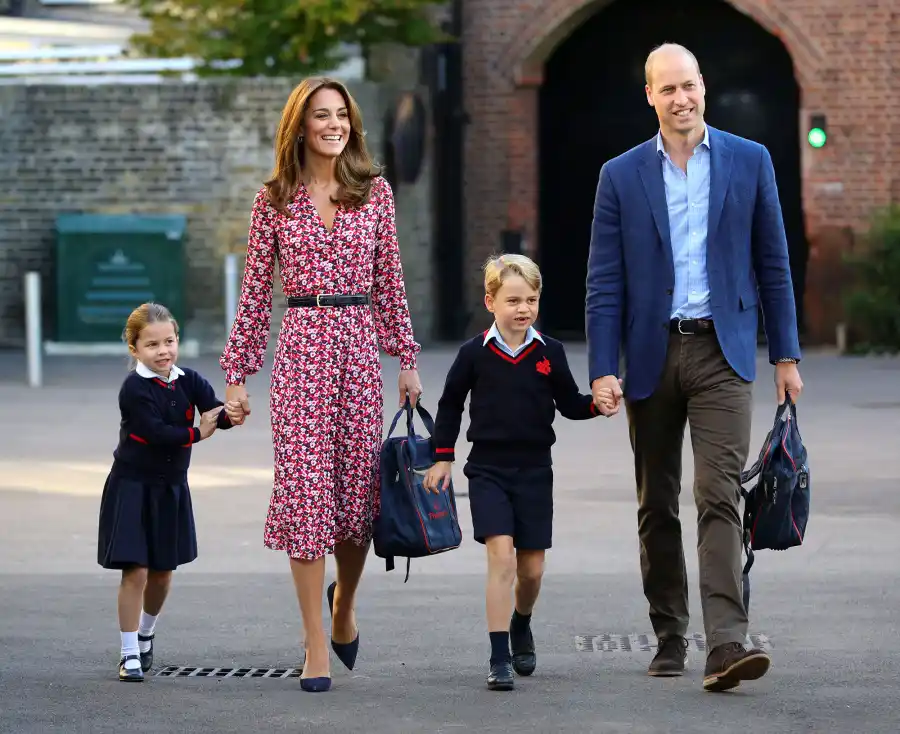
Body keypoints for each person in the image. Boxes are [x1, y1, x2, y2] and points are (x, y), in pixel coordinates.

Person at [584, 43, 804, 692]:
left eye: (689, 86)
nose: (681, 99)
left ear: (703, 87)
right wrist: (602, 367)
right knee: (657, 504)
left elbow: (775, 263)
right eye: (667, 89)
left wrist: (785, 355)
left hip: (723, 351)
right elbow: (604, 282)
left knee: (719, 495)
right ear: (648, 96)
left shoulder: (749, 160)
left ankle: (727, 644)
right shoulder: (619, 176)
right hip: (650, 354)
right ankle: (670, 632)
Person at [219, 77, 423, 693]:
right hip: (302, 350)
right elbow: (255, 293)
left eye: (341, 115)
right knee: (307, 498)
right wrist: (236, 375)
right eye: (320, 116)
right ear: (299, 127)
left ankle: (344, 607)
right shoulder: (273, 200)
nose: (333, 124)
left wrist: (405, 358)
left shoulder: (375, 194)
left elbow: (390, 281)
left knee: (356, 505)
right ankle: (314, 644)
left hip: (359, 349)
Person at [424, 254, 609, 691]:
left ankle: (521, 621)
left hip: (534, 471)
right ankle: (498, 655)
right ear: (490, 302)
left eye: (530, 299)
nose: (522, 308)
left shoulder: (550, 353)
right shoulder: (474, 354)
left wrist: (594, 406)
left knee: (532, 570)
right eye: (512, 300)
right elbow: (450, 404)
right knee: (501, 557)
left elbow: (568, 403)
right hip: (487, 469)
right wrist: (443, 455)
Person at [97, 302, 234, 682]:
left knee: (162, 573)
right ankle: (128, 654)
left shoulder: (188, 379)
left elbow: (214, 410)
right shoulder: (134, 389)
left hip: (171, 489)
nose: (163, 351)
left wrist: (230, 415)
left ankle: (145, 634)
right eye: (152, 344)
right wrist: (198, 433)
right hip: (132, 486)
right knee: (135, 570)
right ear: (134, 349)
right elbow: (155, 433)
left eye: (169, 341)